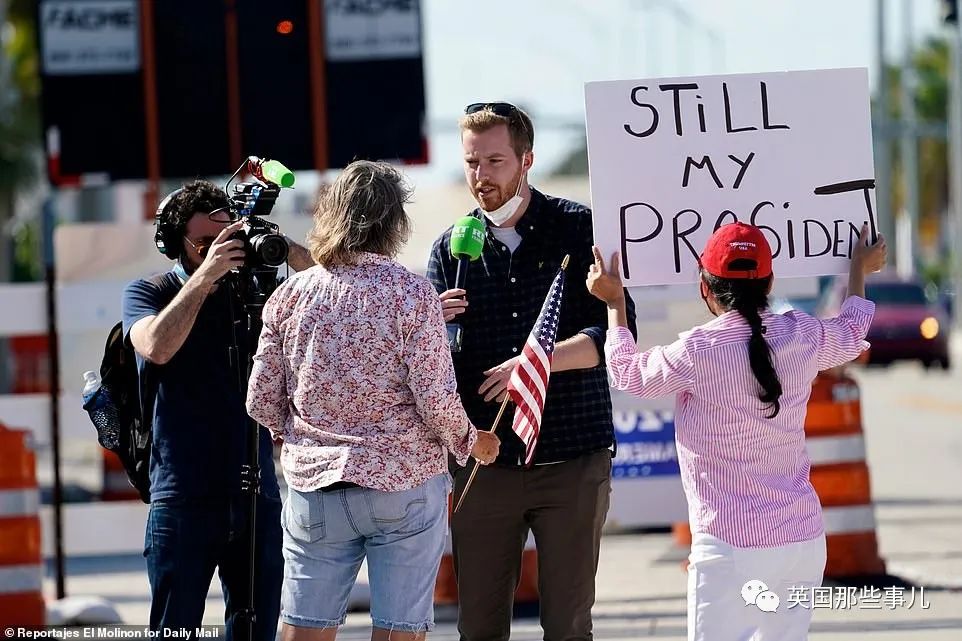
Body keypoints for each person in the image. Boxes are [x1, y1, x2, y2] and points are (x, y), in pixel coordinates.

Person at [586, 221, 887, 641]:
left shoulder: (696, 351)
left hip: (730, 545)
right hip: (801, 539)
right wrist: (859, 270)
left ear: (705, 287)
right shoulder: (801, 333)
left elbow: (627, 374)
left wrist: (615, 303)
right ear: (770, 282)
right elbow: (853, 333)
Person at [246, 160, 500, 641]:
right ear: (394, 222)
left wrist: (297, 436)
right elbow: (436, 400)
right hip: (403, 482)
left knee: (303, 629)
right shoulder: (412, 293)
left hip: (314, 486)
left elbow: (260, 399)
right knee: (399, 630)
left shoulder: (290, 295)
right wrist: (472, 442)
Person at [426, 102, 637, 640]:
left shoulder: (578, 227)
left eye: (495, 161)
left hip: (572, 456)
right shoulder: (449, 250)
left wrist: (534, 363)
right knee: (478, 626)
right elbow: (430, 371)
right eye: (472, 162)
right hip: (485, 460)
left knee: (567, 625)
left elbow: (613, 335)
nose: (481, 176)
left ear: (526, 161)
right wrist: (429, 325)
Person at [123, 179, 313, 640]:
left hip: (256, 492)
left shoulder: (254, 294)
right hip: (183, 495)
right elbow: (155, 346)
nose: (218, 252)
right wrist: (205, 277)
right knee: (176, 629)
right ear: (175, 244)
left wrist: (280, 247)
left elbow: (325, 285)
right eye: (205, 243)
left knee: (258, 630)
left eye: (226, 240)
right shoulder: (150, 291)